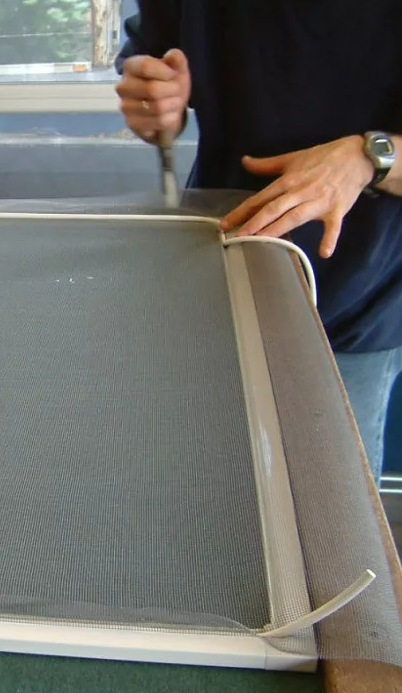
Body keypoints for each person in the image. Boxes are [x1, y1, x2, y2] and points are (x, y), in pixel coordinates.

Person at [113, 1, 402, 484]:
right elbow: (152, 75)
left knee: (325, 504)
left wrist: (369, 157)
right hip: (216, 276)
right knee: (203, 483)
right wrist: (156, 103)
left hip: (354, 299)